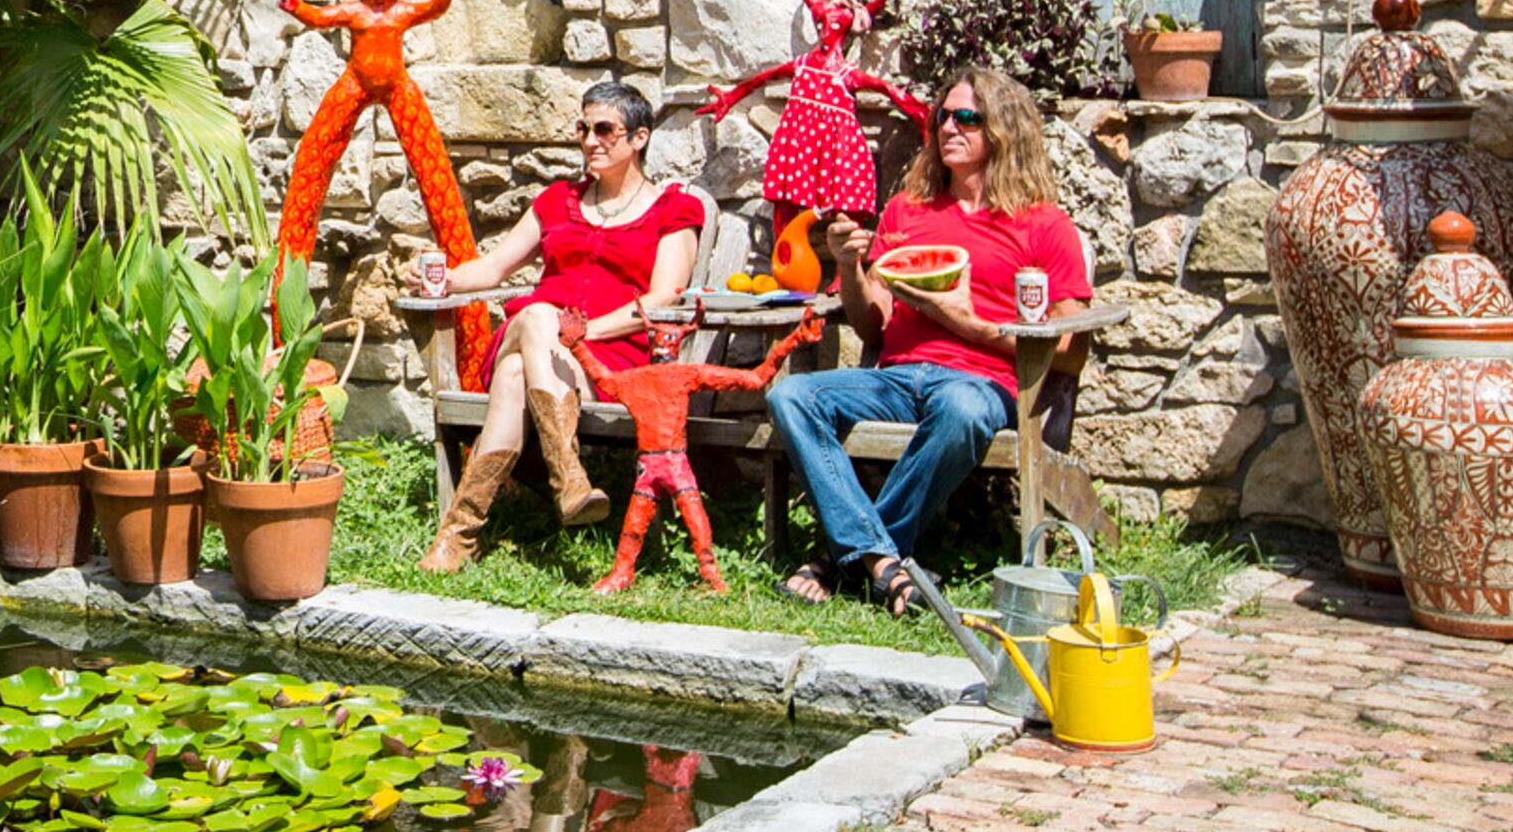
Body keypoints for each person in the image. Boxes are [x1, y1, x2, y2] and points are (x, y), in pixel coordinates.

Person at [767, 67, 1090, 614]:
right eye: (943, 115)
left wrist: (966, 322)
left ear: (1003, 130)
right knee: (791, 396)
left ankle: (847, 559)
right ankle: (883, 564)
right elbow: (872, 326)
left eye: (967, 118)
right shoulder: (907, 211)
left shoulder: (1043, 225)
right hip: (895, 378)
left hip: (980, 384)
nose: (948, 127)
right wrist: (848, 266)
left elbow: (1071, 351)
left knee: (962, 412)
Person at [410, 81, 706, 573]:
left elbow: (662, 298)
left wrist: (583, 334)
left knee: (514, 376)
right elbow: (494, 268)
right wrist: (440, 280)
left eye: (605, 129)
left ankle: (458, 536)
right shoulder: (556, 201)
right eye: (583, 129)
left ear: (639, 138)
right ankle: (568, 476)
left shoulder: (674, 210)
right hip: (531, 334)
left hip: (609, 359)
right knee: (537, 315)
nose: (591, 140)